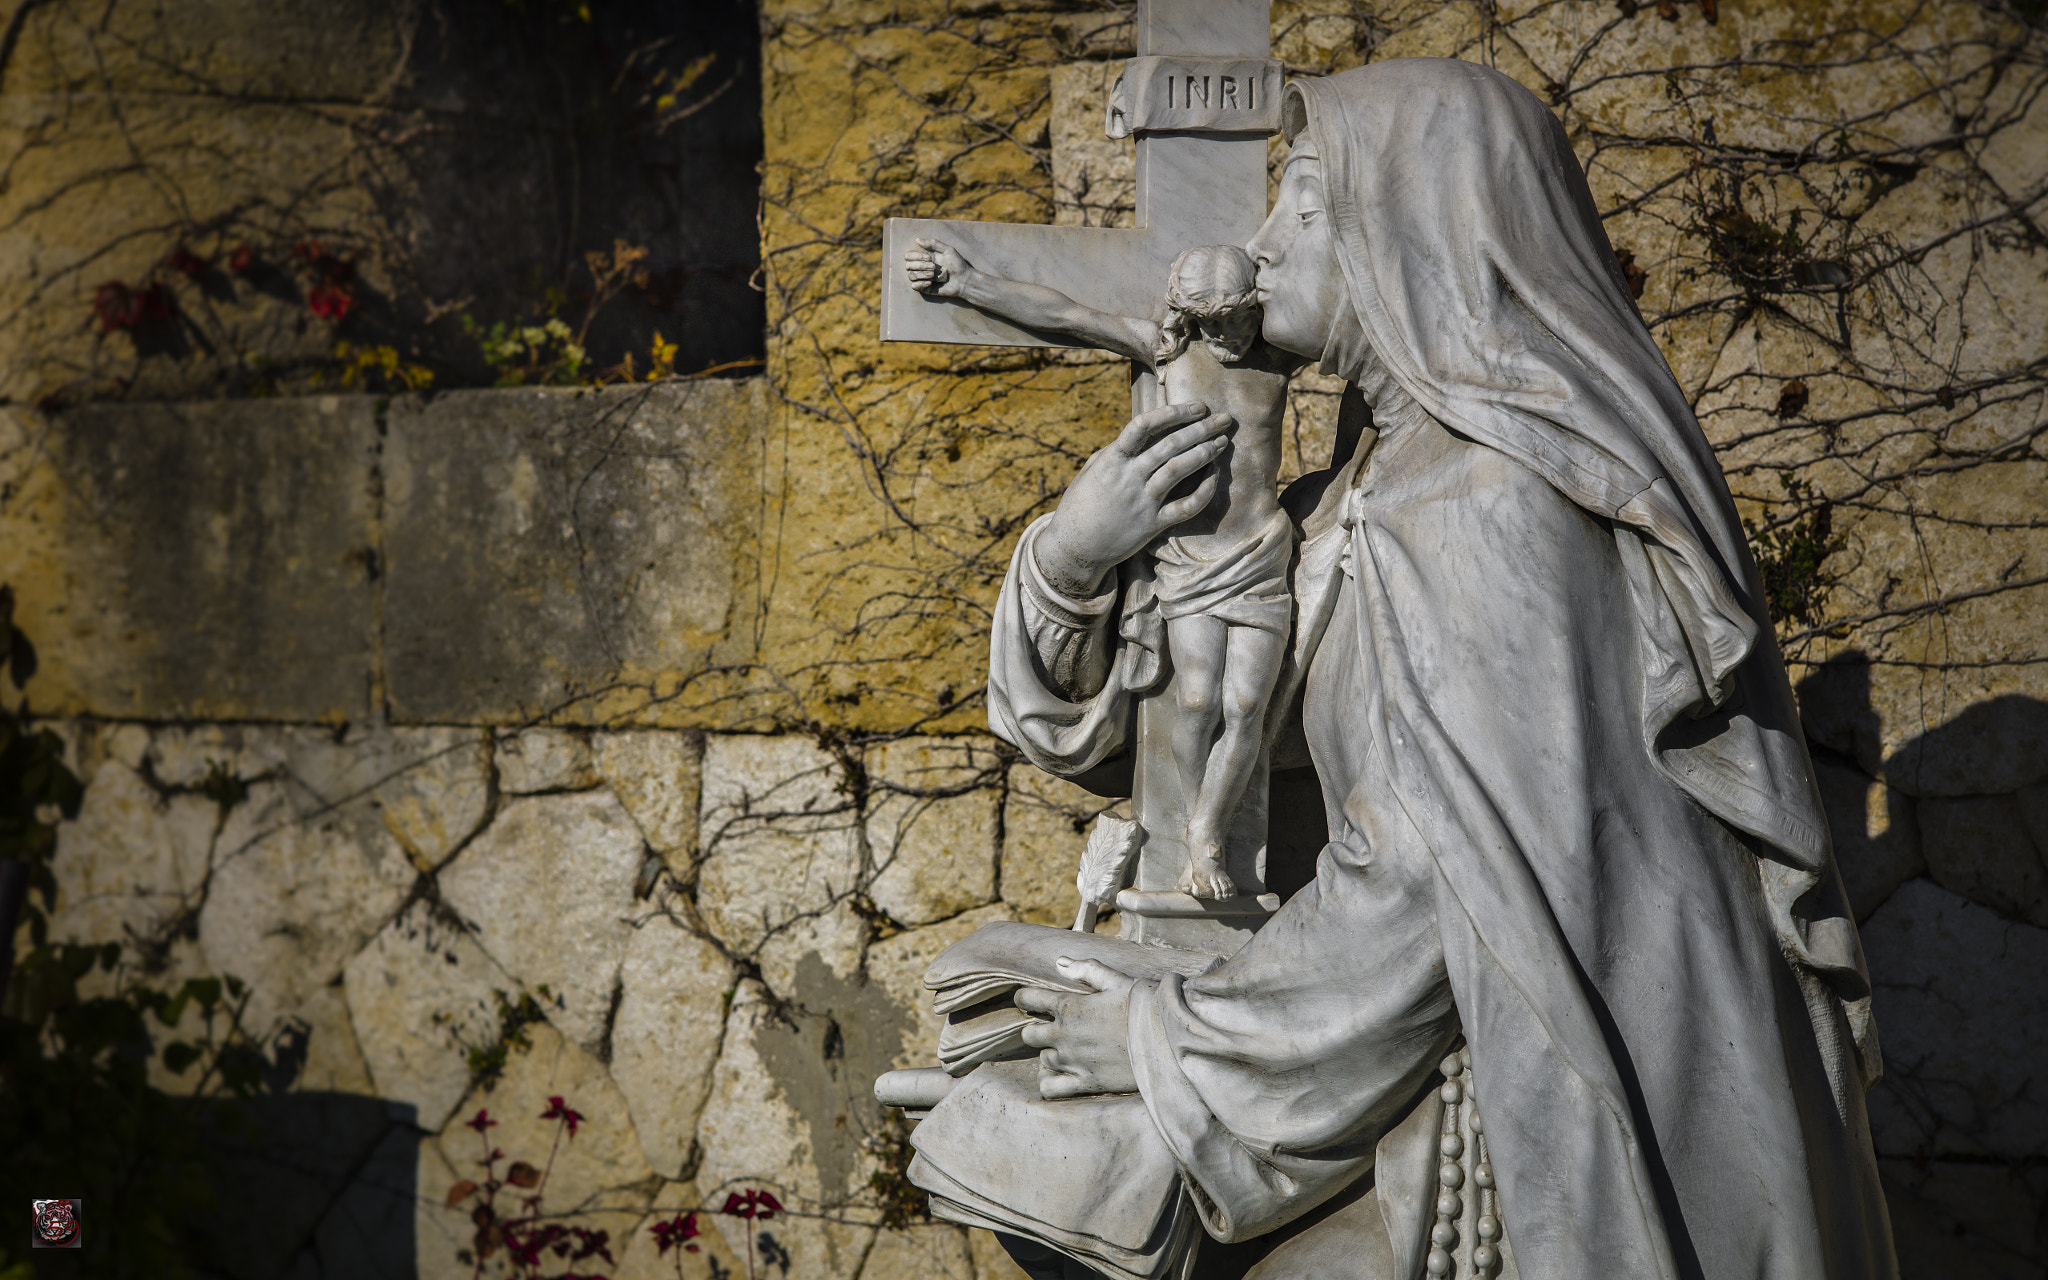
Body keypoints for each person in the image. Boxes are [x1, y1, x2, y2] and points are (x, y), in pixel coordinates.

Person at [982, 59, 1895, 1280]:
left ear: (1404, 223)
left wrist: (1167, 1041)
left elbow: (1425, 878)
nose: (1255, 244)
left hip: (1555, 1113)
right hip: (1444, 1060)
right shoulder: (1375, 490)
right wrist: (1074, 557)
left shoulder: (1491, 502)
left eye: (1297, 202)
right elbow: (1146, 738)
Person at [906, 238, 1298, 900]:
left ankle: (1207, 835)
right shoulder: (1171, 353)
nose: (1225, 334)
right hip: (1189, 560)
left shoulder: (1279, 360)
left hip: (1260, 554)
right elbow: (1066, 315)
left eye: (1236, 316)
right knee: (1199, 702)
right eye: (1210, 321)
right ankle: (1199, 838)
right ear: (1187, 315)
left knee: (1246, 706)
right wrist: (967, 282)